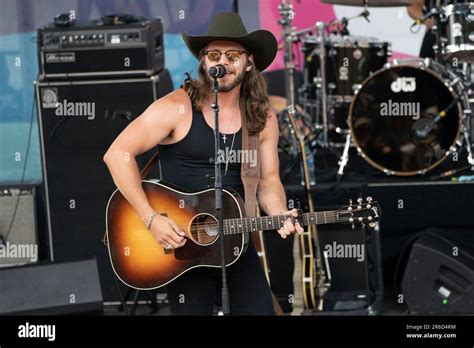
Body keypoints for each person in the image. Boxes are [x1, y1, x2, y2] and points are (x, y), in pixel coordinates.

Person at [103, 12, 304, 315]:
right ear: (204, 62)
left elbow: (268, 181)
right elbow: (117, 155)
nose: (221, 62)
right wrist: (150, 218)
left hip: (237, 243)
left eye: (232, 55)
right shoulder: (176, 107)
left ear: (249, 61)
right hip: (183, 249)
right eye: (214, 54)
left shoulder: (261, 116)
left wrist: (278, 213)